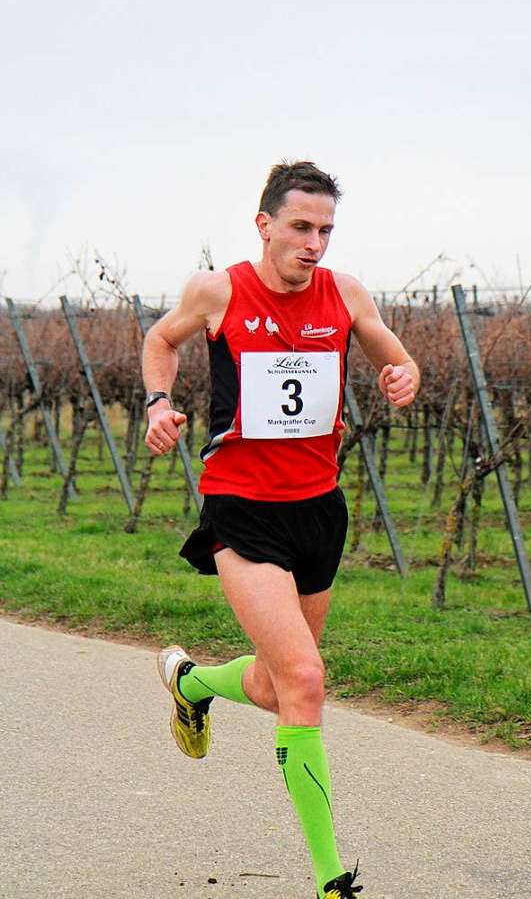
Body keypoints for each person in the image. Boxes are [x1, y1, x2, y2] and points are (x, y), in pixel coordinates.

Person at [142, 160, 419, 899]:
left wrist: (402, 374)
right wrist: (157, 404)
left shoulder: (345, 292)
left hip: (318, 509)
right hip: (242, 508)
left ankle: (192, 681)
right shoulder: (218, 289)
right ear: (264, 223)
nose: (314, 243)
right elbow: (160, 339)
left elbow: (394, 356)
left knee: (273, 685)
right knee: (304, 680)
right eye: (301, 227)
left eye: (325, 229)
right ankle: (332, 878)